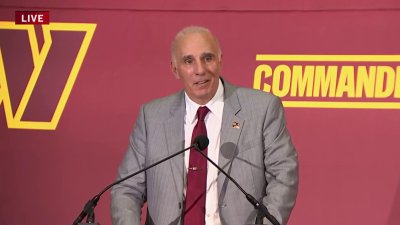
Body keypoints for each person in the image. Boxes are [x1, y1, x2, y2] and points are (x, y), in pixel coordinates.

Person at [111, 26, 298, 225]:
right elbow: (126, 190)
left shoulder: (262, 109)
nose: (200, 70)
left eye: (207, 58)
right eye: (188, 61)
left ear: (220, 61)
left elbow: (283, 175)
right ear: (175, 69)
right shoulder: (152, 117)